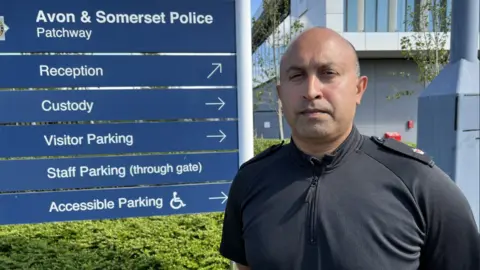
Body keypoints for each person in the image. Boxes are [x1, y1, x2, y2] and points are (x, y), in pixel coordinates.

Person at [219, 27, 480, 270]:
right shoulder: (250, 181)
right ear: (280, 93)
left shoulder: (420, 184)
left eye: (328, 73)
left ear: (358, 88)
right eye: (297, 75)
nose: (311, 91)